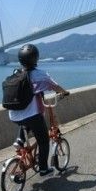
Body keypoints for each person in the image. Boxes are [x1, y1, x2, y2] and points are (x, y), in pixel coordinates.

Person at [9, 44, 69, 176]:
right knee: (43, 140)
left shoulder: (16, 73)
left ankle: (19, 140)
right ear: (35, 58)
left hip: (14, 114)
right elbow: (55, 86)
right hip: (32, 115)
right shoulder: (39, 74)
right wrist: (65, 92)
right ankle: (43, 169)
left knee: (25, 121)